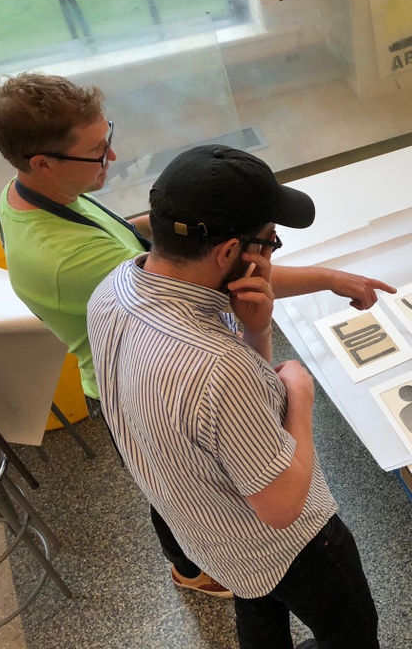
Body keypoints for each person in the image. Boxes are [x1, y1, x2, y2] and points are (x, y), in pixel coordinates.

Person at [0, 73, 394, 597]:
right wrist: (299, 382)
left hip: (125, 362)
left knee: (169, 480)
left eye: (107, 138)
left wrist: (178, 220)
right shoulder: (87, 269)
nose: (110, 159)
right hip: (136, 379)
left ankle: (199, 561)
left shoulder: (30, 197)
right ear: (42, 161)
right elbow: (279, 505)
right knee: (179, 482)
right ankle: (195, 567)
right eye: (96, 152)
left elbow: (142, 239)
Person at [88, 145, 379, 649]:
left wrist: (257, 330)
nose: (270, 253)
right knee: (350, 629)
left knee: (258, 609)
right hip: (289, 542)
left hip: (211, 530)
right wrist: (301, 395)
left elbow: (234, 423)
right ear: (228, 253)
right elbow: (283, 505)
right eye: (269, 241)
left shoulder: (113, 290)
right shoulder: (216, 367)